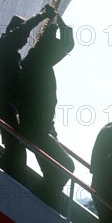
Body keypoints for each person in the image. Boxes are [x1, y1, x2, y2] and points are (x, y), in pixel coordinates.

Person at [0, 5, 56, 184]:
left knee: (15, 148)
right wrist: (41, 16)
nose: (26, 41)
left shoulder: (10, 54)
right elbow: (23, 30)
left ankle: (8, 177)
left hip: (8, 105)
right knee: (16, 149)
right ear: (14, 32)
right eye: (24, 37)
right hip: (4, 104)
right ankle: (8, 180)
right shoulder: (1, 46)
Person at [16, 13, 75, 211]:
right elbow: (67, 44)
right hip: (35, 127)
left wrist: (56, 22)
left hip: (41, 126)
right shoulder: (38, 61)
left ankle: (42, 203)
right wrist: (54, 22)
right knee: (67, 167)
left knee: (55, 171)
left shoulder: (38, 59)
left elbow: (66, 44)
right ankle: (39, 204)